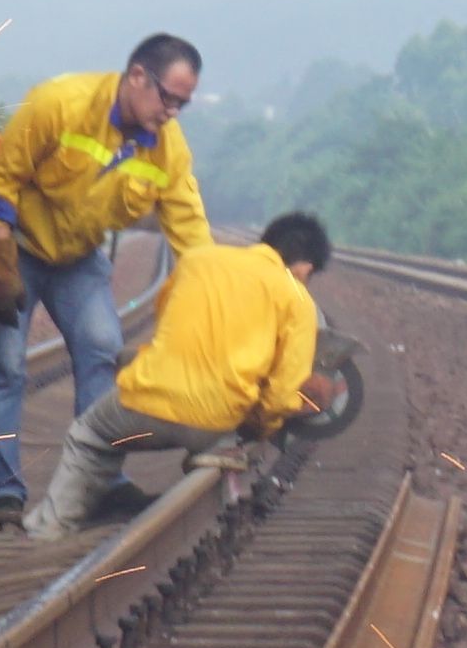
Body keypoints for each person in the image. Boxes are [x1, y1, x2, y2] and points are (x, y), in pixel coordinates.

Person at [0, 34, 209, 525]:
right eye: (169, 98)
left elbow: (191, 235)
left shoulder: (168, 150)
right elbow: (1, 184)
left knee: (102, 345)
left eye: (184, 103)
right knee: (5, 365)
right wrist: (2, 269)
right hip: (13, 242)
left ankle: (100, 483)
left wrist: (217, 296)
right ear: (137, 76)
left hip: (76, 255)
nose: (173, 112)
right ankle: (2, 495)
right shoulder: (59, 103)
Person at [26, 208, 341, 533]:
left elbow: (166, 315)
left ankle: (50, 528)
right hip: (217, 420)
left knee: (91, 436)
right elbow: (281, 394)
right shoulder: (297, 298)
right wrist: (257, 430)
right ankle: (206, 471)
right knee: (233, 428)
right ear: (304, 267)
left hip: (145, 407)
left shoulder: (197, 261)